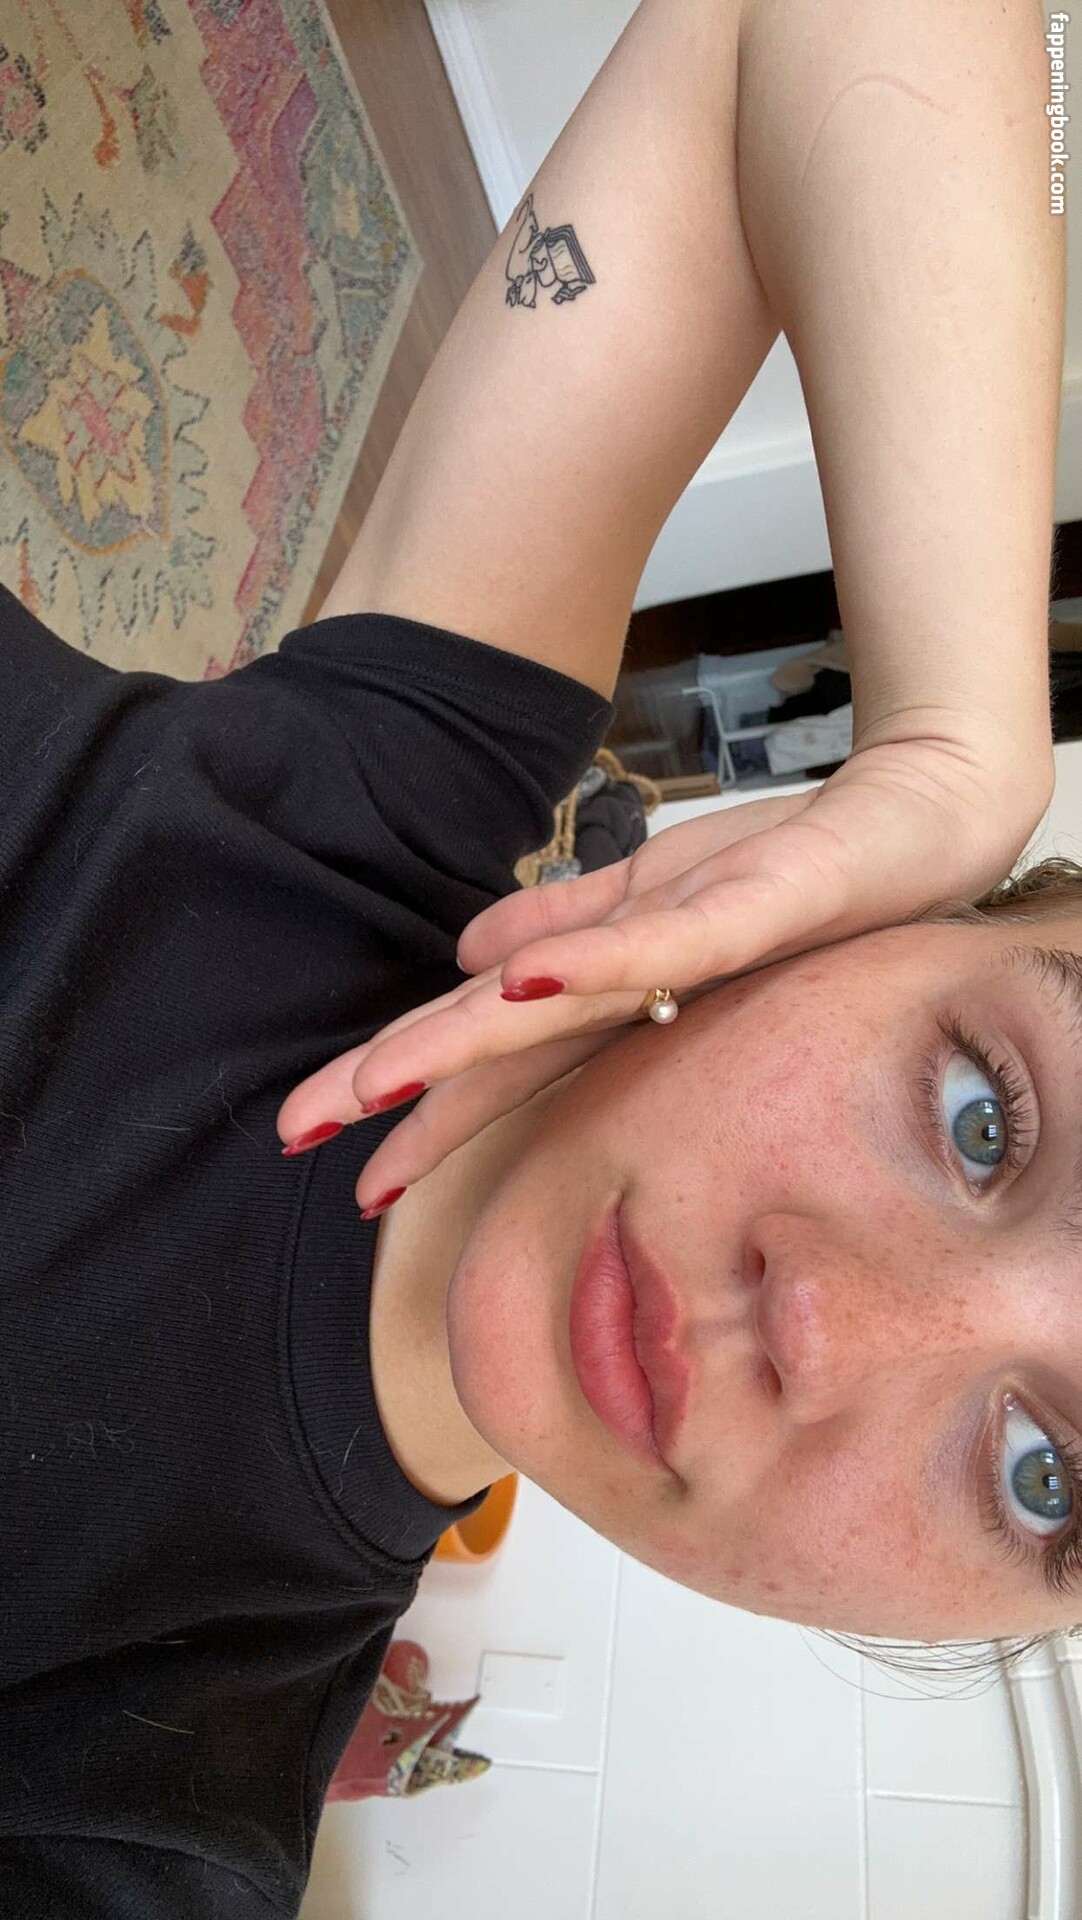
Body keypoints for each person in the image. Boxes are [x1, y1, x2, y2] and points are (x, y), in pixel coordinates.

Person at [0, 0, 1067, 1911]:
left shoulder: (133, 1788)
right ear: (875, 922)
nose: (825, 1331)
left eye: (1044, 1476)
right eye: (984, 1114)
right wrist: (952, 748)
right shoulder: (388, 799)